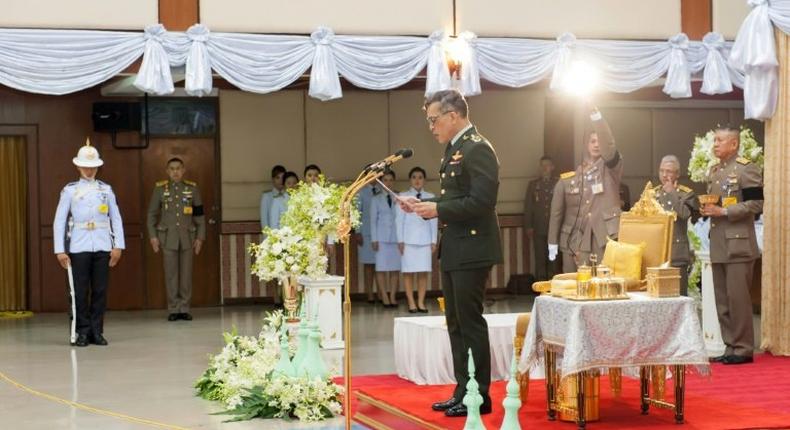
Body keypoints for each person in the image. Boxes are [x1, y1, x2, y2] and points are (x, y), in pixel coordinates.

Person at [401, 89, 502, 417]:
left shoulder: (478, 149)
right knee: (455, 322)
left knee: (470, 322)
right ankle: (463, 390)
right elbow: (455, 199)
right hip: (456, 246)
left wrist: (438, 209)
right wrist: (426, 207)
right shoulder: (455, 149)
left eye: (434, 120)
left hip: (473, 247)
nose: (431, 126)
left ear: (453, 116)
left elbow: (482, 202)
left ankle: (479, 394)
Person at [701, 124, 763, 365]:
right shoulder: (715, 171)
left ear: (734, 144)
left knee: (738, 299)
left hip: (738, 246)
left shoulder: (747, 169)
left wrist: (724, 211)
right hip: (718, 244)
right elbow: (715, 205)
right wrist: (708, 209)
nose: (715, 144)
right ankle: (730, 346)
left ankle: (744, 348)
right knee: (723, 299)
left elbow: (756, 204)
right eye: (714, 140)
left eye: (720, 140)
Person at [53, 140, 124, 346]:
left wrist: (117, 245)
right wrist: (60, 250)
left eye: (92, 167)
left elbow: (116, 218)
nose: (89, 170)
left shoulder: (106, 190)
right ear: (77, 166)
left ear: (98, 167)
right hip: (78, 246)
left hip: (102, 244)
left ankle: (96, 331)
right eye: (85, 166)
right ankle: (81, 331)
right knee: (79, 291)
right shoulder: (70, 191)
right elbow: (60, 221)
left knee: (100, 291)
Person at [547, 102, 622, 273]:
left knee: (603, 286)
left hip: (604, 237)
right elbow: (557, 213)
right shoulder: (570, 179)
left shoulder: (610, 169)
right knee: (574, 287)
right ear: (586, 145)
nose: (597, 145)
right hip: (575, 239)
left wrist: (596, 116)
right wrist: (552, 240)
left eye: (599, 142)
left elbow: (609, 147)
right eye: (593, 141)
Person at [147, 157, 206, 322]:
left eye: (178, 168)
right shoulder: (160, 190)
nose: (175, 172)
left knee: (186, 275)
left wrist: (200, 238)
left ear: (183, 170)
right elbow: (151, 214)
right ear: (167, 171)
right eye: (172, 169)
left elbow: (200, 216)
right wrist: (153, 236)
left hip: (188, 237)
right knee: (171, 274)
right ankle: (173, 308)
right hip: (167, 238)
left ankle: (185, 308)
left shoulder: (192, 189)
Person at [654, 155, 698, 295]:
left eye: (669, 171)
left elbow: (685, 214)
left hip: (676, 255)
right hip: (656, 254)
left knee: (678, 296)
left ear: (677, 174)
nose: (664, 175)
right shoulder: (652, 194)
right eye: (662, 171)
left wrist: (672, 193)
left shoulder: (686, 193)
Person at [396, 167, 438, 313]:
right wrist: (400, 240)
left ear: (424, 180)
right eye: (414, 177)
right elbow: (399, 220)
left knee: (423, 272)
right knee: (408, 272)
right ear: (410, 180)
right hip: (408, 240)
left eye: (420, 177)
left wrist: (433, 240)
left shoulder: (430, 196)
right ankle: (411, 302)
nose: (417, 180)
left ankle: (421, 302)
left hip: (425, 240)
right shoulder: (403, 196)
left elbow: (433, 220)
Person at [524, 156, 558, 281]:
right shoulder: (533, 185)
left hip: (554, 227)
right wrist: (528, 225)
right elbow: (528, 206)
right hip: (538, 226)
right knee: (540, 256)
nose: (545, 168)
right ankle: (541, 284)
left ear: (552, 167)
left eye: (548, 165)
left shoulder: (558, 183)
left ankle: (553, 283)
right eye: (542, 165)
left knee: (553, 256)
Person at [370, 170, 401, 307]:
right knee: (381, 269)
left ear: (393, 181)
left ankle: (393, 296)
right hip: (381, 238)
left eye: (390, 180)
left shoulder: (399, 197)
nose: (388, 182)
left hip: (396, 238)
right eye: (385, 180)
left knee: (395, 269)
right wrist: (374, 239)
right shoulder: (375, 199)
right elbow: (372, 220)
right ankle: (384, 297)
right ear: (381, 183)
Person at [356, 184, 379, 303]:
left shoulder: (382, 189)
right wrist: (358, 231)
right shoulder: (361, 192)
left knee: (380, 266)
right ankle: (369, 294)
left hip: (381, 234)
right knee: (369, 265)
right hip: (366, 233)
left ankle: (381, 293)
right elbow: (357, 213)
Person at [260, 165, 286, 229]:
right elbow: (264, 221)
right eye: (278, 178)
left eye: (283, 178)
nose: (281, 180)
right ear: (273, 179)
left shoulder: (288, 195)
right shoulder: (267, 197)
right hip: (272, 235)